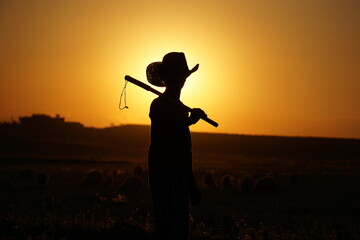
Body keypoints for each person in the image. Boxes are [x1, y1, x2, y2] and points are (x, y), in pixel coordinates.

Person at [146, 52, 206, 240]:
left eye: (181, 76)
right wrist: (189, 122)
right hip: (163, 173)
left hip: (180, 175)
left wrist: (191, 184)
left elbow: (184, 151)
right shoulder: (158, 105)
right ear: (165, 78)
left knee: (179, 229)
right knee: (165, 228)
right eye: (174, 75)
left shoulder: (179, 108)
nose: (179, 80)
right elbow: (161, 136)